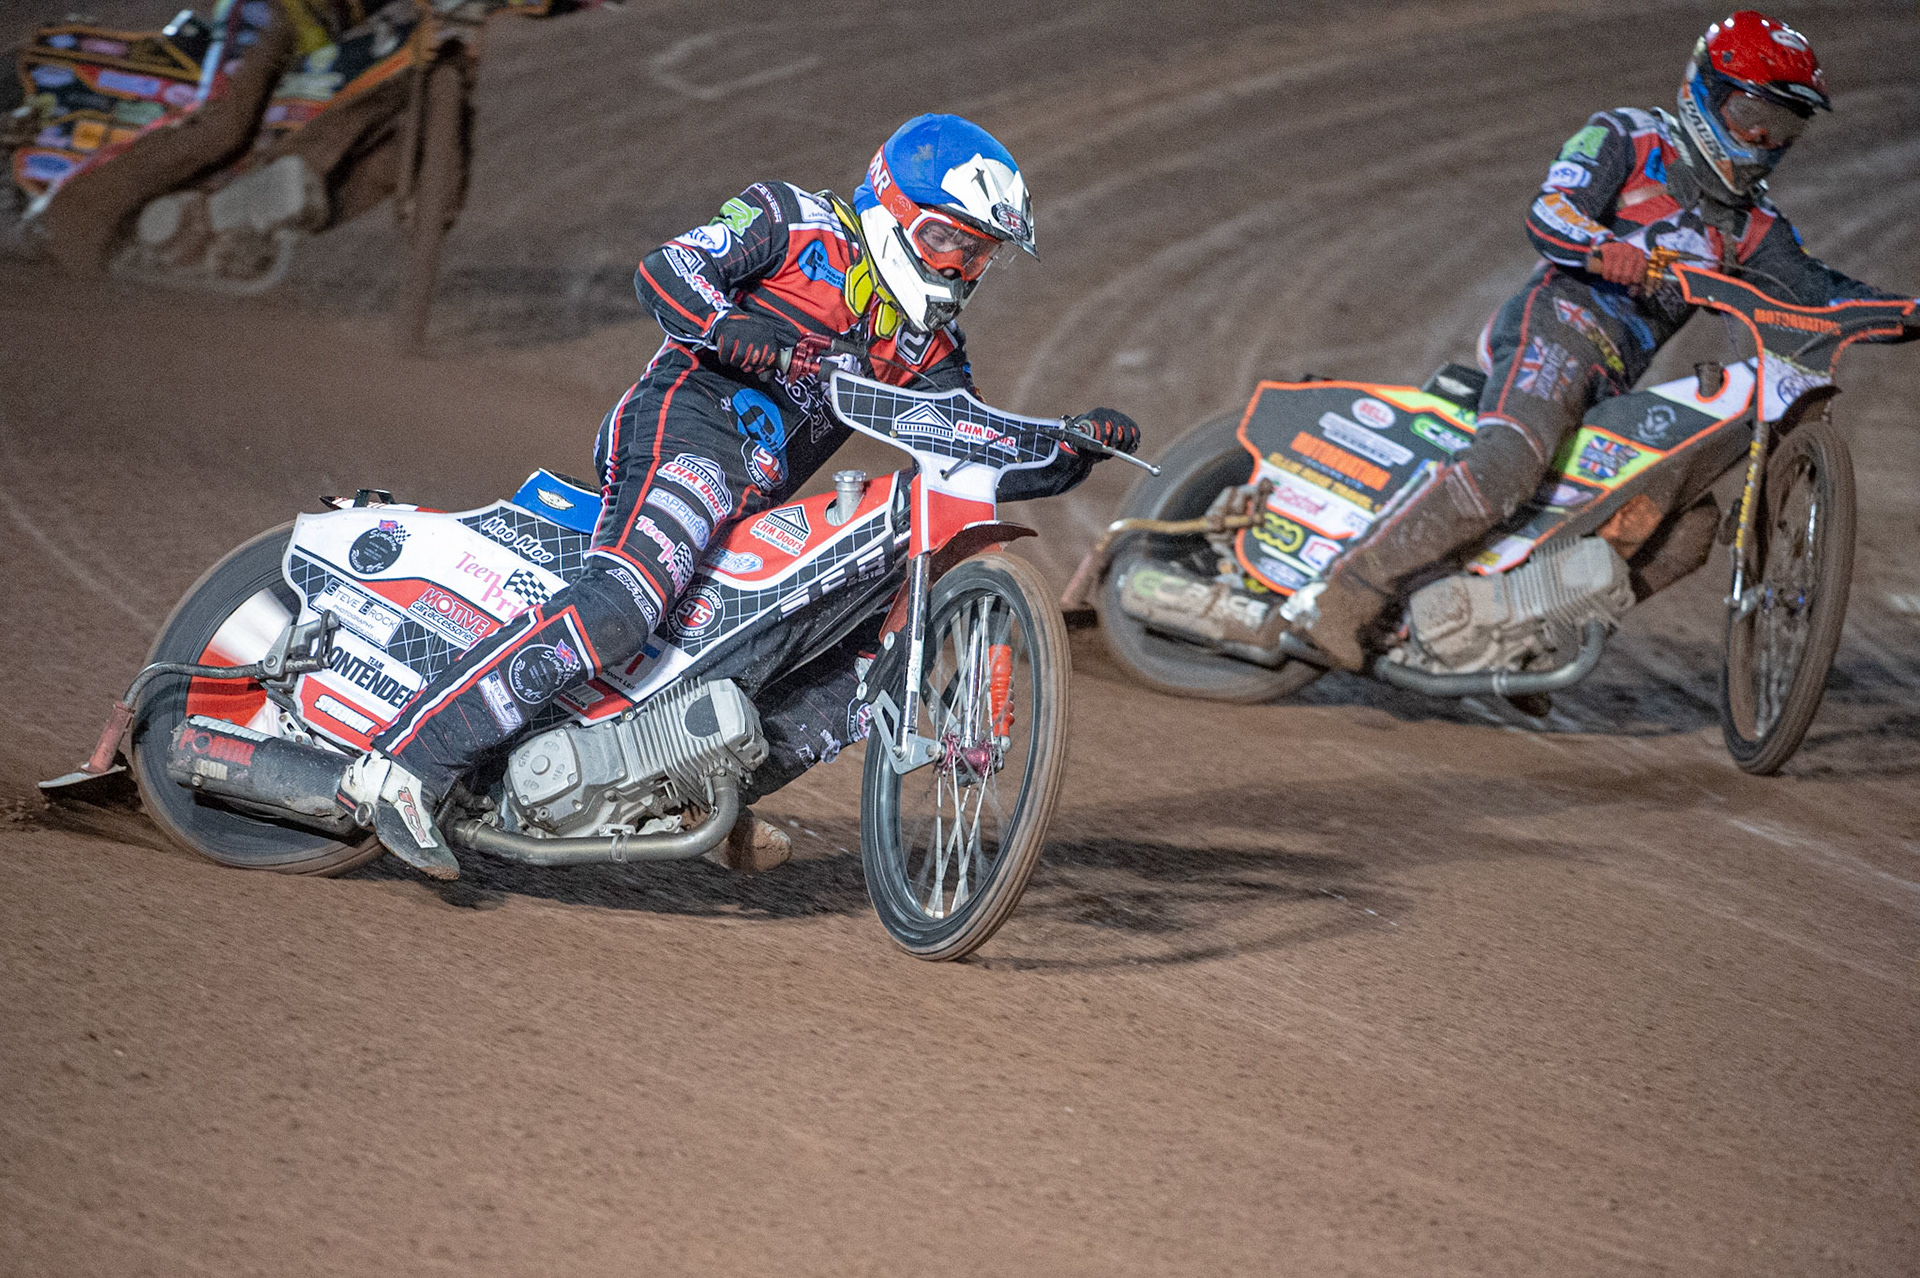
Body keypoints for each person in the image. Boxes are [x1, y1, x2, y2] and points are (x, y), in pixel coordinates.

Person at [339, 113, 1141, 879]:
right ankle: (405, 765)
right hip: (683, 433)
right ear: (892, 206)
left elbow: (968, 448)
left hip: (752, 501)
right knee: (625, 602)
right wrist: (726, 325)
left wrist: (1069, 450)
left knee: (856, 672)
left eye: (980, 254)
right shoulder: (794, 222)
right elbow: (666, 269)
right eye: (948, 241)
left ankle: (684, 793)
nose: (959, 268)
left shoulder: (926, 345)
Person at [1295, 9, 1916, 671]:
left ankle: (1525, 638)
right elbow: (1550, 211)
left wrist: (1907, 312)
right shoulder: (1629, 136)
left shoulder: (1754, 226)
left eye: (1785, 126)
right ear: (1705, 93)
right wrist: (1601, 247)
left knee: (1687, 531)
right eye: (1751, 115)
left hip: (1614, 380)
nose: (1764, 140)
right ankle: (1348, 592)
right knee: (1512, 460)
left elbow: (1821, 292)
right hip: (1555, 327)